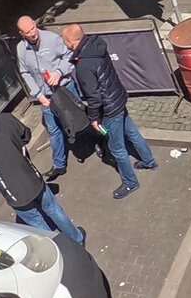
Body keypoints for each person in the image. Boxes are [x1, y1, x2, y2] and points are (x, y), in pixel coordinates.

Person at [0, 92, 85, 245]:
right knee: (53, 208)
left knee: (38, 224)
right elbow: (26, 135)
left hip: (13, 192)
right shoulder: (6, 119)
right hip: (32, 177)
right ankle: (77, 238)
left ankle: (61, 250)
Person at [64, 24, 157, 200]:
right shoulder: (96, 45)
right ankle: (149, 161)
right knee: (132, 133)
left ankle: (130, 182)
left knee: (117, 148)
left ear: (70, 41)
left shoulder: (83, 65)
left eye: (64, 40)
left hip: (109, 109)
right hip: (118, 97)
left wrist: (94, 118)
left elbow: (94, 97)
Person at [14, 16, 79, 181]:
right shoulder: (21, 49)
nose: (32, 34)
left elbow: (70, 56)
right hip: (46, 97)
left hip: (64, 89)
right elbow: (25, 72)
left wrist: (58, 73)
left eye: (33, 28)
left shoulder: (52, 39)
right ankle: (59, 165)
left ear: (35, 24)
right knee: (53, 129)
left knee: (79, 118)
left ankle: (98, 143)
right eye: (27, 32)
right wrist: (38, 95)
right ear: (22, 33)